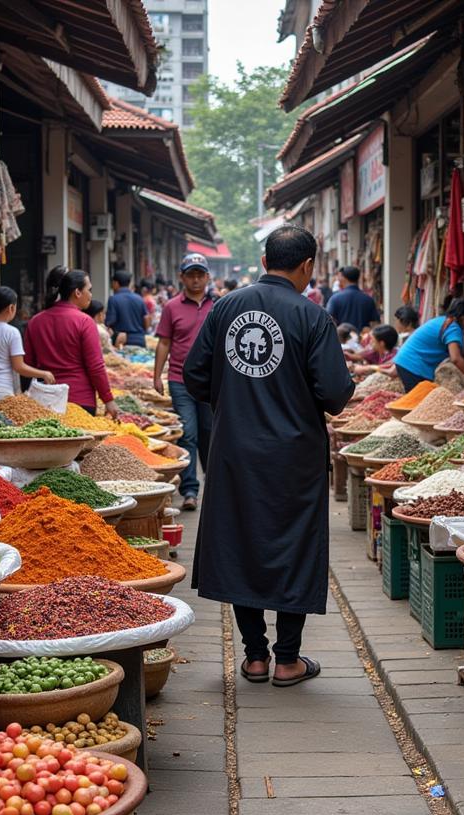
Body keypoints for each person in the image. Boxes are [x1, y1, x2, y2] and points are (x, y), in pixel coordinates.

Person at [183, 225, 354, 686]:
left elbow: (194, 376)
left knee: (242, 543)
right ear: (307, 266)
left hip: (235, 450)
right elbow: (335, 393)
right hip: (293, 456)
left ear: (263, 261)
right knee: (292, 545)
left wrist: (234, 396)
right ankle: (287, 660)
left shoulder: (225, 308)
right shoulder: (313, 317)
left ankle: (254, 656)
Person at [154, 253, 215, 511]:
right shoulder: (171, 307)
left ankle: (215, 488)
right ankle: (190, 490)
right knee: (188, 433)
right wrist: (156, 375)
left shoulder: (219, 305)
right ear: (182, 278)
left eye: (200, 275)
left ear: (207, 277)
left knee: (210, 434)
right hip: (180, 379)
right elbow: (165, 342)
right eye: (191, 275)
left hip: (212, 382)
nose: (196, 280)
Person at [24, 269, 120, 418]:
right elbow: (95, 366)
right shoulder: (84, 321)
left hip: (45, 401)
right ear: (77, 292)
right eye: (89, 290)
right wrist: (107, 399)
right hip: (79, 400)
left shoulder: (35, 321)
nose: (91, 295)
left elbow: (28, 363)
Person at [0, 286, 55, 409]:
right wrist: (44, 374)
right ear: (11, 308)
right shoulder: (11, 332)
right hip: (0, 390)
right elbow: (18, 366)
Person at [392, 297, 464, 391]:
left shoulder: (443, 321)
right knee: (418, 402)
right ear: (463, 318)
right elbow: (456, 358)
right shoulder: (453, 327)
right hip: (413, 365)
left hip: (407, 362)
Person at [105, 269, 149, 348]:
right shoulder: (139, 298)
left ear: (116, 283)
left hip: (122, 342)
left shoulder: (113, 299)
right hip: (140, 340)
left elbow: (109, 322)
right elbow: (146, 318)